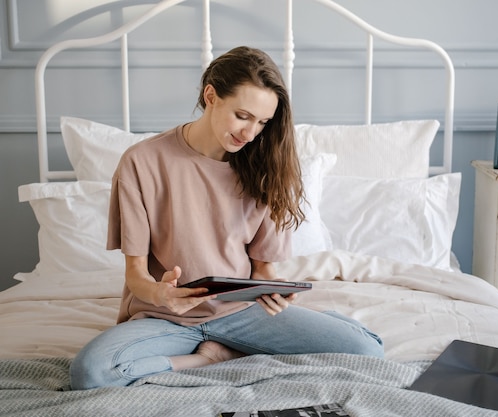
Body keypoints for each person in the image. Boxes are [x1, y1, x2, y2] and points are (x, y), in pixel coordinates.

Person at [69, 46, 384, 390]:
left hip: (240, 313)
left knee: (367, 351)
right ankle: (205, 360)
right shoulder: (142, 162)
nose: (250, 133)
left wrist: (273, 291)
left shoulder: (265, 168)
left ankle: (236, 347)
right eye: (243, 115)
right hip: (165, 317)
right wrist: (162, 295)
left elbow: (262, 269)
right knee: (91, 373)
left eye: (263, 123)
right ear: (211, 96)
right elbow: (136, 276)